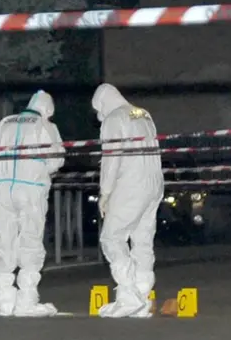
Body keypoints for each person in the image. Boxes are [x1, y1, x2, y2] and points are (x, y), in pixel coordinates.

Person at [0, 90, 65, 317]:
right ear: (47, 110)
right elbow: (57, 159)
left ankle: (3, 299)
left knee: (3, 240)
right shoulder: (46, 126)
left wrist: (3, 170)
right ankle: (27, 300)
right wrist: (40, 170)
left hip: (3, 188)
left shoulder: (5, 122)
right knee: (31, 239)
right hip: (32, 188)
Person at [91, 83, 164, 318]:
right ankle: (142, 297)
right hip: (154, 183)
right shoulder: (143, 113)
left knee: (112, 238)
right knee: (142, 240)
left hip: (131, 183)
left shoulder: (114, 118)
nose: (99, 116)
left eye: (98, 110)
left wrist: (105, 192)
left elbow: (111, 158)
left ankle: (129, 297)